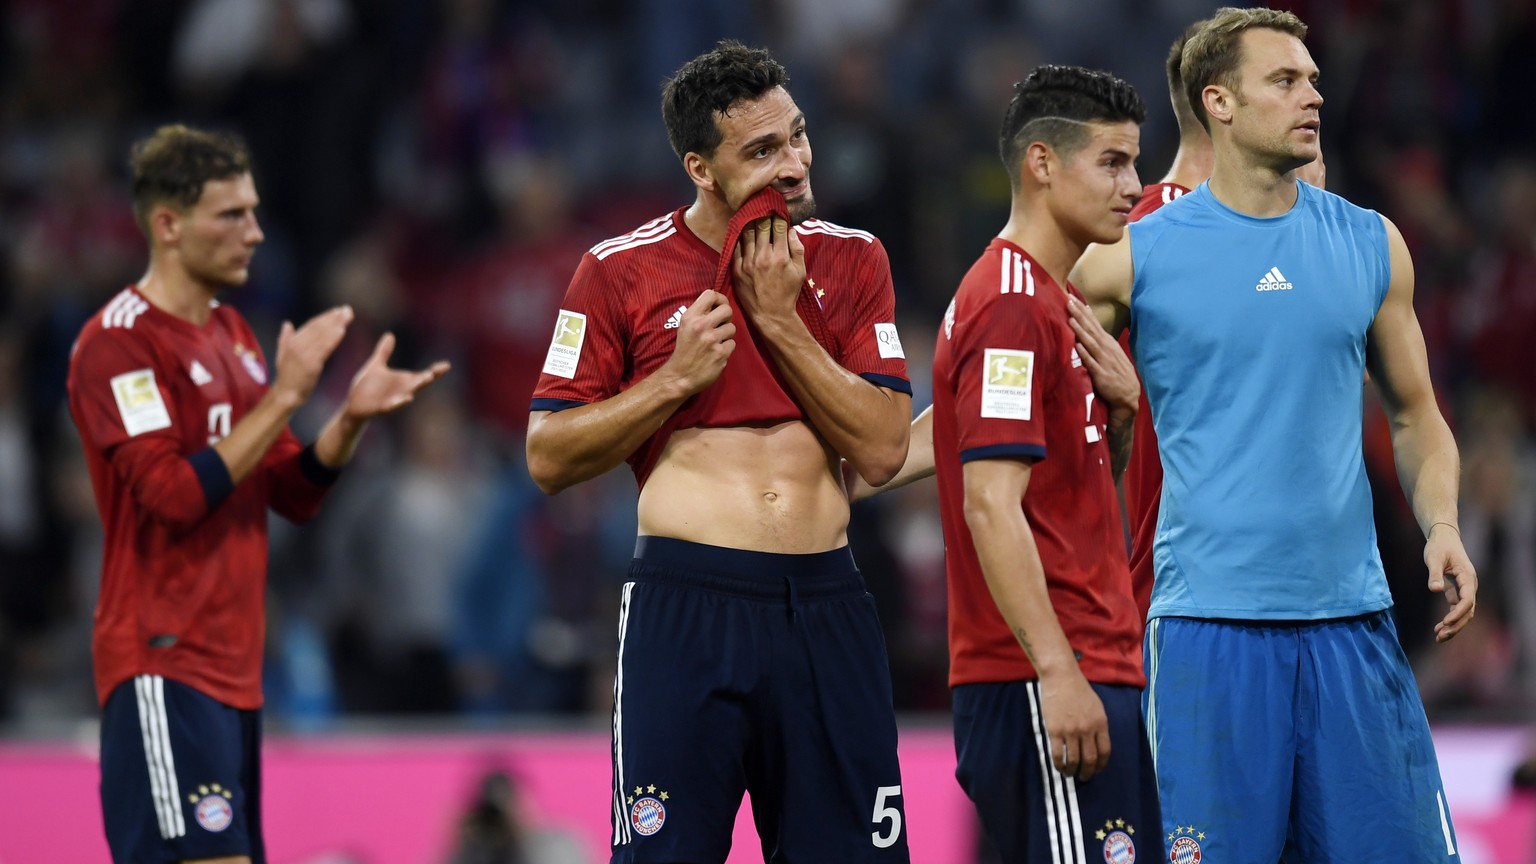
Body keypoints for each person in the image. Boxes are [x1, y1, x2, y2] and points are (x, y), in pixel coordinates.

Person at [1068, 8, 1477, 861]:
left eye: (1314, 81)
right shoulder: (1130, 258)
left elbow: (1417, 416)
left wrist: (1441, 525)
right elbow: (1037, 404)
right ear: (1218, 102)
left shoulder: (1371, 245)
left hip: (1353, 626)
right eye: (1285, 81)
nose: (1312, 97)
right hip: (1208, 636)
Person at [526, 40, 913, 863]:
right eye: (763, 150)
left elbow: (882, 450)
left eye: (798, 135)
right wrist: (672, 383)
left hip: (827, 603)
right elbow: (547, 453)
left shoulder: (853, 258)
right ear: (700, 167)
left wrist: (776, 322)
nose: (795, 162)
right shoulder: (616, 271)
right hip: (686, 607)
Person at [66, 124, 450, 864]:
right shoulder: (118, 345)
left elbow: (292, 493)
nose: (256, 232)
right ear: (168, 224)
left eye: (254, 211)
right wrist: (283, 397)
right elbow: (173, 497)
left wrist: (348, 420)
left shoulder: (233, 335)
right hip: (162, 660)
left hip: (235, 671)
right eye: (232, 215)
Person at [928, 64, 1163, 863]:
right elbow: (990, 504)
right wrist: (1060, 674)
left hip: (1087, 663)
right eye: (1111, 162)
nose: (1133, 187)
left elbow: (1075, 492)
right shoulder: (1010, 304)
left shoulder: (1053, 301)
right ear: (1041, 164)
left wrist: (1122, 411)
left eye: (1134, 162)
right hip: (1047, 676)